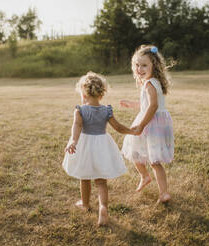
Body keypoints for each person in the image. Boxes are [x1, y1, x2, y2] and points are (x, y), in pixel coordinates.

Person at [63, 71, 134, 226]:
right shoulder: (106, 110)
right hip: (102, 145)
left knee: (85, 177)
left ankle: (85, 204)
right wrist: (131, 130)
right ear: (101, 94)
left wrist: (73, 141)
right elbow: (118, 127)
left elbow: (77, 126)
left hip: (85, 145)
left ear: (84, 93)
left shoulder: (80, 110)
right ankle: (103, 207)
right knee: (101, 181)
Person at [120, 45, 175, 204]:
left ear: (154, 66)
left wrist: (142, 125)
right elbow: (148, 104)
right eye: (137, 65)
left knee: (137, 151)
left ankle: (146, 177)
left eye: (144, 65)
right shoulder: (154, 81)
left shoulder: (149, 83)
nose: (139, 69)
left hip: (150, 122)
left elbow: (153, 106)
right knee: (152, 158)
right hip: (158, 122)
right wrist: (132, 104)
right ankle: (160, 190)